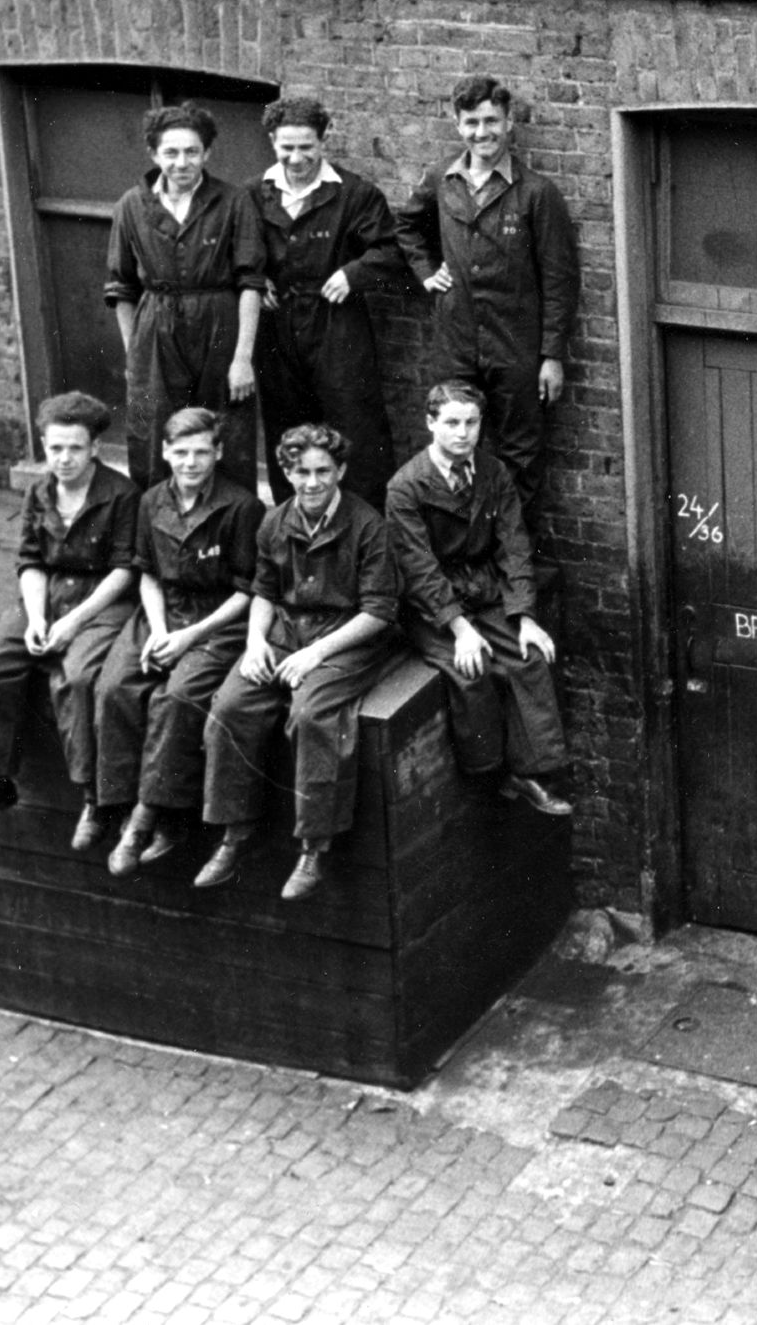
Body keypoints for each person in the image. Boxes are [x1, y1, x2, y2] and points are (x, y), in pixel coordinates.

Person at [197, 423, 399, 902]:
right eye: (302, 472)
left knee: (311, 715)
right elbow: (264, 590)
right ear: (286, 473)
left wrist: (317, 653)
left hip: (346, 638)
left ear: (340, 471)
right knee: (229, 707)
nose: (313, 483)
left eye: (324, 472)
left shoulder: (368, 526)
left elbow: (379, 611)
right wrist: (254, 641)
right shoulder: (274, 521)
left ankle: (313, 847)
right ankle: (234, 834)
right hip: (287, 631)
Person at [0, 392, 140, 844]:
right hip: (47, 595)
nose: (64, 459)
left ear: (93, 448)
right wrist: (35, 618)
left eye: (74, 448)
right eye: (54, 448)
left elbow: (125, 570)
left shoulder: (121, 494)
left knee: (76, 678)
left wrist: (74, 623)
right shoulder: (39, 491)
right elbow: (30, 560)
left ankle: (95, 798)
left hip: (103, 600)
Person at [394, 75, 581, 542]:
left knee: (521, 454)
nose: (483, 133)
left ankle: (508, 553)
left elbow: (560, 278)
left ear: (510, 122)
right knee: (452, 443)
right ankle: (461, 549)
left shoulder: (536, 193)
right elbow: (406, 227)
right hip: (455, 343)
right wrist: (424, 270)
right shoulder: (442, 180)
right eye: (472, 122)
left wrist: (551, 355)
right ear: (457, 125)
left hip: (515, 347)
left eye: (492, 121)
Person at [384, 381, 573, 817]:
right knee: (471, 671)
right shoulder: (406, 487)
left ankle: (531, 772)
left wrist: (524, 615)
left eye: (471, 422)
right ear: (430, 423)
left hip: (482, 589)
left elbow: (513, 545)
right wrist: (459, 628)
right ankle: (487, 774)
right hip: (431, 606)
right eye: (451, 422)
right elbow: (418, 568)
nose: (462, 432)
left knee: (529, 657)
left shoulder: (492, 472)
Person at [93, 407, 265, 875]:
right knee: (113, 688)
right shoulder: (151, 501)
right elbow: (146, 572)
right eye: (181, 452)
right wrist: (163, 629)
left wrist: (190, 636)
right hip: (162, 614)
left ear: (219, 453)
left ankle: (149, 819)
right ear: (165, 452)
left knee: (178, 697)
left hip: (216, 621)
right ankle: (115, 805)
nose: (191, 463)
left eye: (202, 453)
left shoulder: (241, 507)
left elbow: (249, 590)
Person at [252, 96, 405, 508]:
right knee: (288, 428)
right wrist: (255, 278)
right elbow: (239, 253)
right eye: (287, 147)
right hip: (277, 327)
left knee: (355, 425)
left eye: (307, 147)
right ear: (272, 142)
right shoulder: (254, 195)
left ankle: (365, 527)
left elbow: (389, 251)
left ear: (323, 142)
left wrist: (353, 274)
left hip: (338, 325)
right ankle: (293, 525)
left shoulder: (354, 194)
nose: (297, 157)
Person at [106, 102, 267, 492]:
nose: (182, 162)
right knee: (149, 425)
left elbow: (251, 282)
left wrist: (242, 358)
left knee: (229, 428)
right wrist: (134, 355)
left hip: (219, 325)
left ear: (207, 153)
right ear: (154, 154)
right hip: (154, 329)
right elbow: (121, 287)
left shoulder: (233, 201)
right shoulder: (131, 205)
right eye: (171, 152)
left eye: (192, 152)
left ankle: (231, 526)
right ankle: (155, 523)